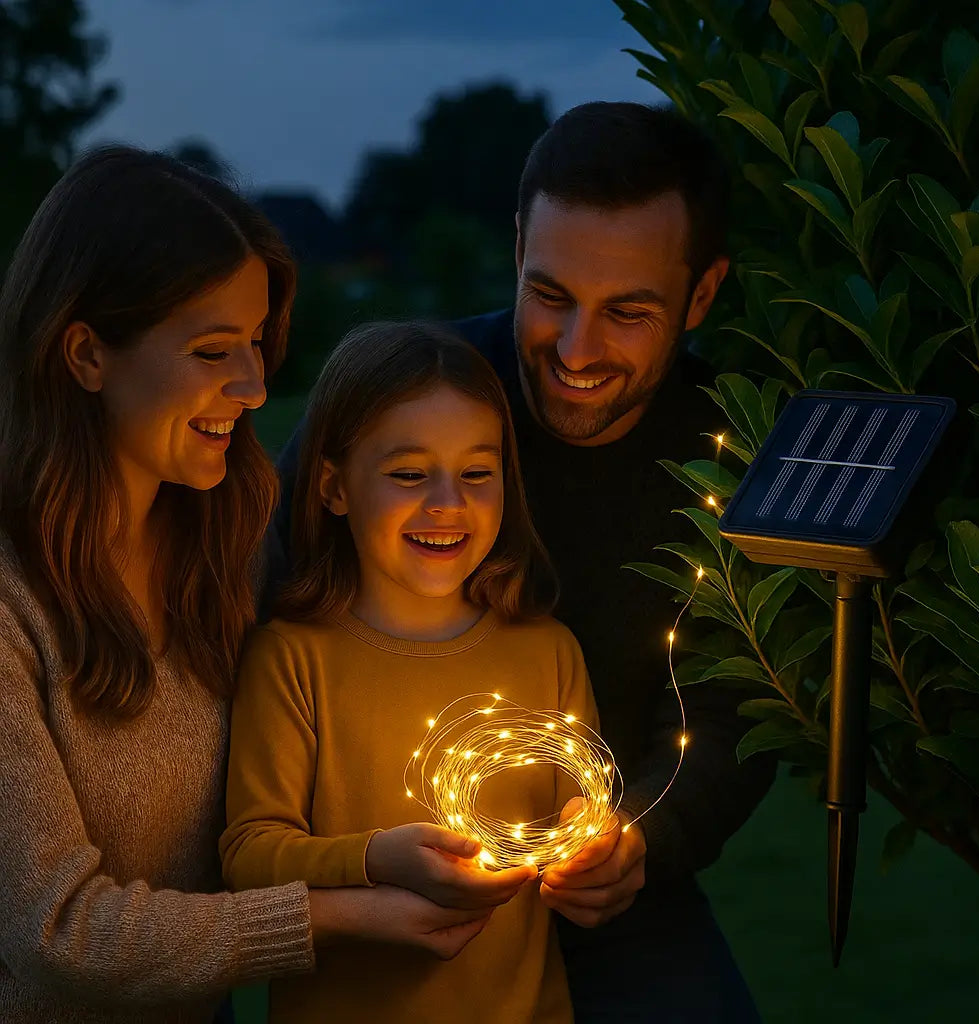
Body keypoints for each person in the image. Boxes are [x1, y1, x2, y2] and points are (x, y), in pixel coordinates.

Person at [273, 102, 776, 1021]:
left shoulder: (735, 454)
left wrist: (643, 844)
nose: (576, 351)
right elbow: (257, 587)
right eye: (550, 296)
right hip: (378, 874)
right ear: (517, 245)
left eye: (627, 311)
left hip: (606, 884)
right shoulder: (412, 399)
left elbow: (737, 713)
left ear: (702, 296)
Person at [0, 147, 498, 1024]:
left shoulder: (229, 552)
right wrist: (341, 914)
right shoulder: (12, 606)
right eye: (210, 349)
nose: (256, 385)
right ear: (84, 353)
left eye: (259, 342)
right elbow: (58, 935)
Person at [220, 321, 604, 1022]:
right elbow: (249, 854)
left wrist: (598, 855)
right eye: (408, 473)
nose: (447, 503)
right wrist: (375, 859)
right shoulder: (293, 659)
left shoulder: (548, 652)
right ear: (334, 487)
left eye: (476, 474)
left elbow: (578, 822)